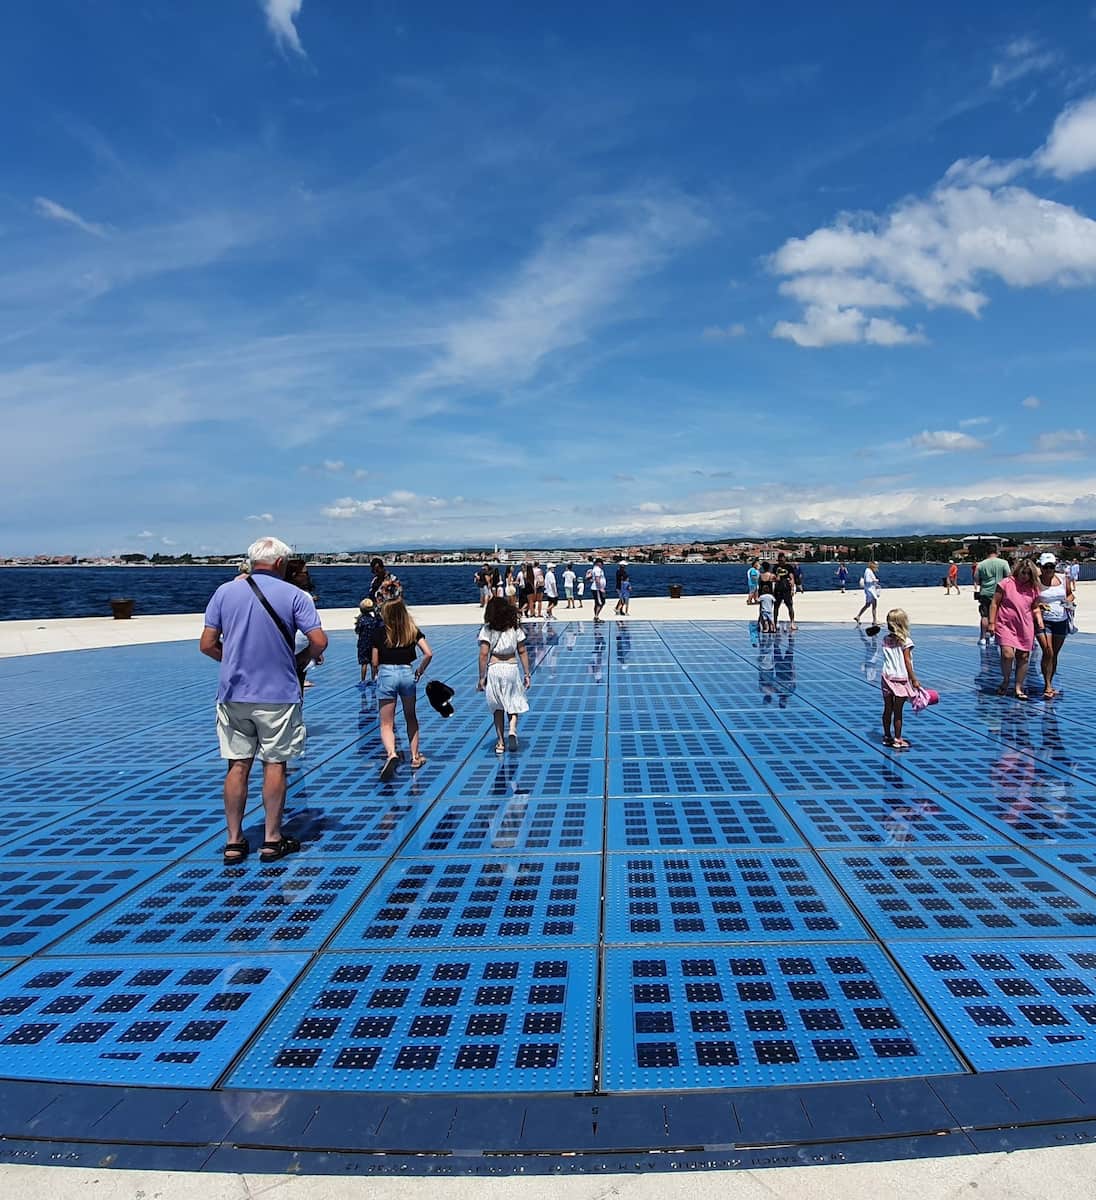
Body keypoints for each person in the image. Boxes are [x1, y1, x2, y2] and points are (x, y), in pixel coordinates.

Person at [200, 536, 328, 865]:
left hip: (233, 694)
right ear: (281, 563)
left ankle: (233, 840)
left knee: (237, 765)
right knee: (275, 764)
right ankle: (272, 838)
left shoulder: (224, 592)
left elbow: (207, 643)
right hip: (278, 695)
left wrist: (231, 661)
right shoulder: (295, 595)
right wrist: (300, 661)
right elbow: (319, 640)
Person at [371, 598, 433, 780]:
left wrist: (376, 674)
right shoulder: (412, 631)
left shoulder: (379, 633)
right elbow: (429, 653)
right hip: (407, 673)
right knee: (410, 716)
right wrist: (420, 671)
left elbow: (374, 661)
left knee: (386, 723)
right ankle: (415, 757)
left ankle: (391, 753)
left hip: (387, 674)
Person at [477, 596, 532, 753]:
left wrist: (481, 677)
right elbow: (522, 651)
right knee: (513, 701)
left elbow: (483, 654)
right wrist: (527, 673)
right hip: (511, 667)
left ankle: (500, 743)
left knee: (497, 707)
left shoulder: (487, 630)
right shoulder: (515, 629)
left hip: (494, 668)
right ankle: (513, 728)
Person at [988, 557, 1043, 701]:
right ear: (1018, 571)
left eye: (1029, 574)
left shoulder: (1033, 588)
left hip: (1025, 624)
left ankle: (1019, 687)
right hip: (1005, 623)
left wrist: (1039, 619)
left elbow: (1035, 606)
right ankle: (1006, 680)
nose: (1025, 576)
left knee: (1024, 656)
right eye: (1023, 573)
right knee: (1007, 654)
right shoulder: (1006, 583)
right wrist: (991, 623)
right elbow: (995, 603)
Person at [879, 608, 921, 749]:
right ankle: (898, 739)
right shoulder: (906, 641)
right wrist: (914, 679)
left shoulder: (886, 639)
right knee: (898, 711)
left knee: (887, 708)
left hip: (886, 677)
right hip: (900, 679)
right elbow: (907, 661)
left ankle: (886, 736)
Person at [1035, 552, 1074, 699]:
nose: (1049, 570)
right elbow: (1029, 599)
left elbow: (1070, 594)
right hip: (1043, 621)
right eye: (1046, 567)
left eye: (1051, 566)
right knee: (1048, 651)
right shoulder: (1036, 582)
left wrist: (1068, 602)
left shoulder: (1063, 579)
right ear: (1041, 567)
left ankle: (1050, 681)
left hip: (1061, 620)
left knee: (1054, 654)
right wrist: (1039, 605)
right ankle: (1047, 686)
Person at [974, 547, 1010, 646]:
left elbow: (976, 579)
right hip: (999, 592)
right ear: (997, 552)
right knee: (998, 615)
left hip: (985, 592)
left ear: (987, 553)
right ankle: (994, 635)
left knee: (984, 615)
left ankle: (982, 637)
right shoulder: (1003, 563)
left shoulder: (981, 564)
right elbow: (1008, 577)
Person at [354, 597, 377, 685]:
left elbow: (357, 631)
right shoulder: (373, 620)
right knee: (372, 662)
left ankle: (363, 680)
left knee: (364, 663)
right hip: (372, 643)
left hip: (363, 643)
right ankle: (374, 679)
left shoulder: (361, 620)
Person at [772, 553, 797, 630]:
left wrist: (793, 589)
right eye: (779, 560)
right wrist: (776, 579)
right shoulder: (775, 567)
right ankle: (775, 623)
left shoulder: (789, 567)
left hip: (786, 589)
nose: (780, 562)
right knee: (776, 607)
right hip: (778, 589)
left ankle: (792, 622)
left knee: (790, 606)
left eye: (782, 560)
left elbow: (792, 578)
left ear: (784, 559)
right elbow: (773, 577)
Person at [855, 561, 881, 626]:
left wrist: (875, 584)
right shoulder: (868, 571)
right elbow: (867, 581)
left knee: (868, 604)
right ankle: (874, 620)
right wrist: (875, 580)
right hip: (870, 591)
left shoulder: (869, 571)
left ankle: (858, 616)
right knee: (874, 605)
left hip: (869, 590)